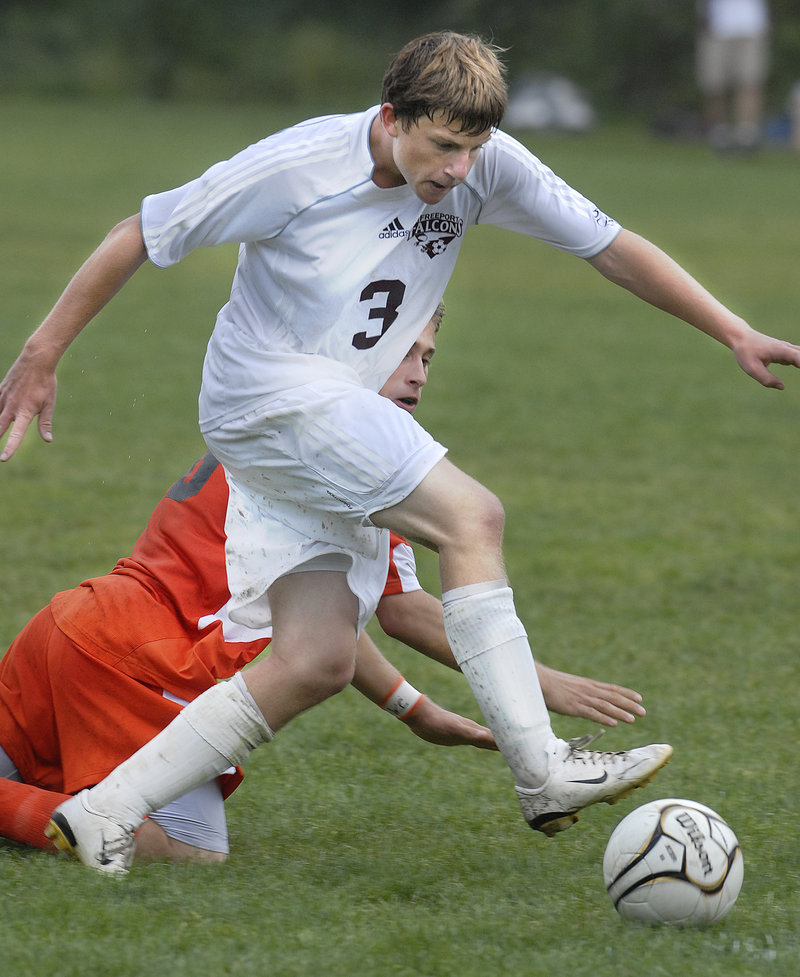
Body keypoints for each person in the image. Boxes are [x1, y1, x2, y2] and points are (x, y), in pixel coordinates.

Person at [3, 31, 799, 873]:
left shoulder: (487, 165)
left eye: (474, 148)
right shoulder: (301, 165)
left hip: (318, 412)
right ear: (392, 119)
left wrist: (732, 329)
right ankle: (545, 772)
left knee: (316, 658)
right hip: (268, 393)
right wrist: (43, 352)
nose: (459, 170)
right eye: (443, 146)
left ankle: (105, 811)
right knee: (472, 515)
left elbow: (609, 246)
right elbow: (142, 229)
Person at [0, 316, 646, 865]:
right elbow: (403, 611)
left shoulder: (289, 420)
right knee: (178, 847)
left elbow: (331, 623)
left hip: (73, 627)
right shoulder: (349, 449)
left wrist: (415, 710)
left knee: (21, 759)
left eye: (428, 354)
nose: (419, 371)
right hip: (136, 663)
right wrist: (535, 682)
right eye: (402, 349)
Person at [696, 0, 771, 152]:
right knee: (714, 86)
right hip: (717, 26)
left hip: (752, 25)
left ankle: (746, 136)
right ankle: (720, 135)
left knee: (750, 82)